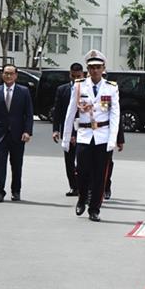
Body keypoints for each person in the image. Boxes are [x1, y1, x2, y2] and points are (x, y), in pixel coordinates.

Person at [62, 50, 120, 222]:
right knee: (82, 170)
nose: (95, 71)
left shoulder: (111, 87)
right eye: (92, 67)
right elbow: (70, 112)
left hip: (102, 135)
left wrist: (113, 139)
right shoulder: (79, 85)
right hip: (85, 134)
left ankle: (95, 208)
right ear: (87, 69)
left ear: (103, 68)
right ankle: (81, 199)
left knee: (100, 174)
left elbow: (115, 114)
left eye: (98, 67)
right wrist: (66, 138)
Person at [0, 64, 34, 202]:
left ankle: (16, 191)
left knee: (17, 164)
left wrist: (27, 131)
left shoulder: (24, 91)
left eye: (11, 73)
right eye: (6, 73)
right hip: (0, 134)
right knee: (0, 164)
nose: (8, 76)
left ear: (16, 75)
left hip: (18, 134)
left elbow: (29, 114)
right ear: (2, 75)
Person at [52, 63, 84, 196]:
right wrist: (56, 130)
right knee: (69, 160)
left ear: (83, 74)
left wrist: (77, 133)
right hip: (67, 129)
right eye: (73, 76)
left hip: (83, 130)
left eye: (78, 76)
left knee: (82, 161)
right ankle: (73, 186)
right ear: (69, 74)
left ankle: (83, 186)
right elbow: (58, 111)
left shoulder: (87, 89)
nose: (75, 78)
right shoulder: (62, 90)